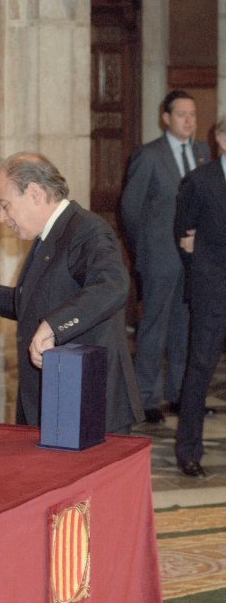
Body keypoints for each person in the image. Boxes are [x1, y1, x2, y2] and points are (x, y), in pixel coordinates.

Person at [0, 152, 143, 434]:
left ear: (34, 193)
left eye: (4, 205)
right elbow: (40, 301)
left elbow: (111, 286)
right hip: (56, 397)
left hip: (87, 400)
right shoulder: (50, 235)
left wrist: (54, 326)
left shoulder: (88, 230)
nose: (1, 217)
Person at [120, 90, 210, 423]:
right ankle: (147, 398)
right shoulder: (149, 155)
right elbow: (130, 208)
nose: (189, 121)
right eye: (182, 114)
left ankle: (179, 395)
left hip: (194, 258)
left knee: (185, 328)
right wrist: (144, 246)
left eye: (193, 115)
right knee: (154, 327)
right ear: (166, 118)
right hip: (159, 257)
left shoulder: (203, 153)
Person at [174, 117, 226, 477]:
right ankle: (188, 450)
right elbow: (184, 235)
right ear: (221, 138)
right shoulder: (201, 180)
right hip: (213, 291)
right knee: (200, 368)